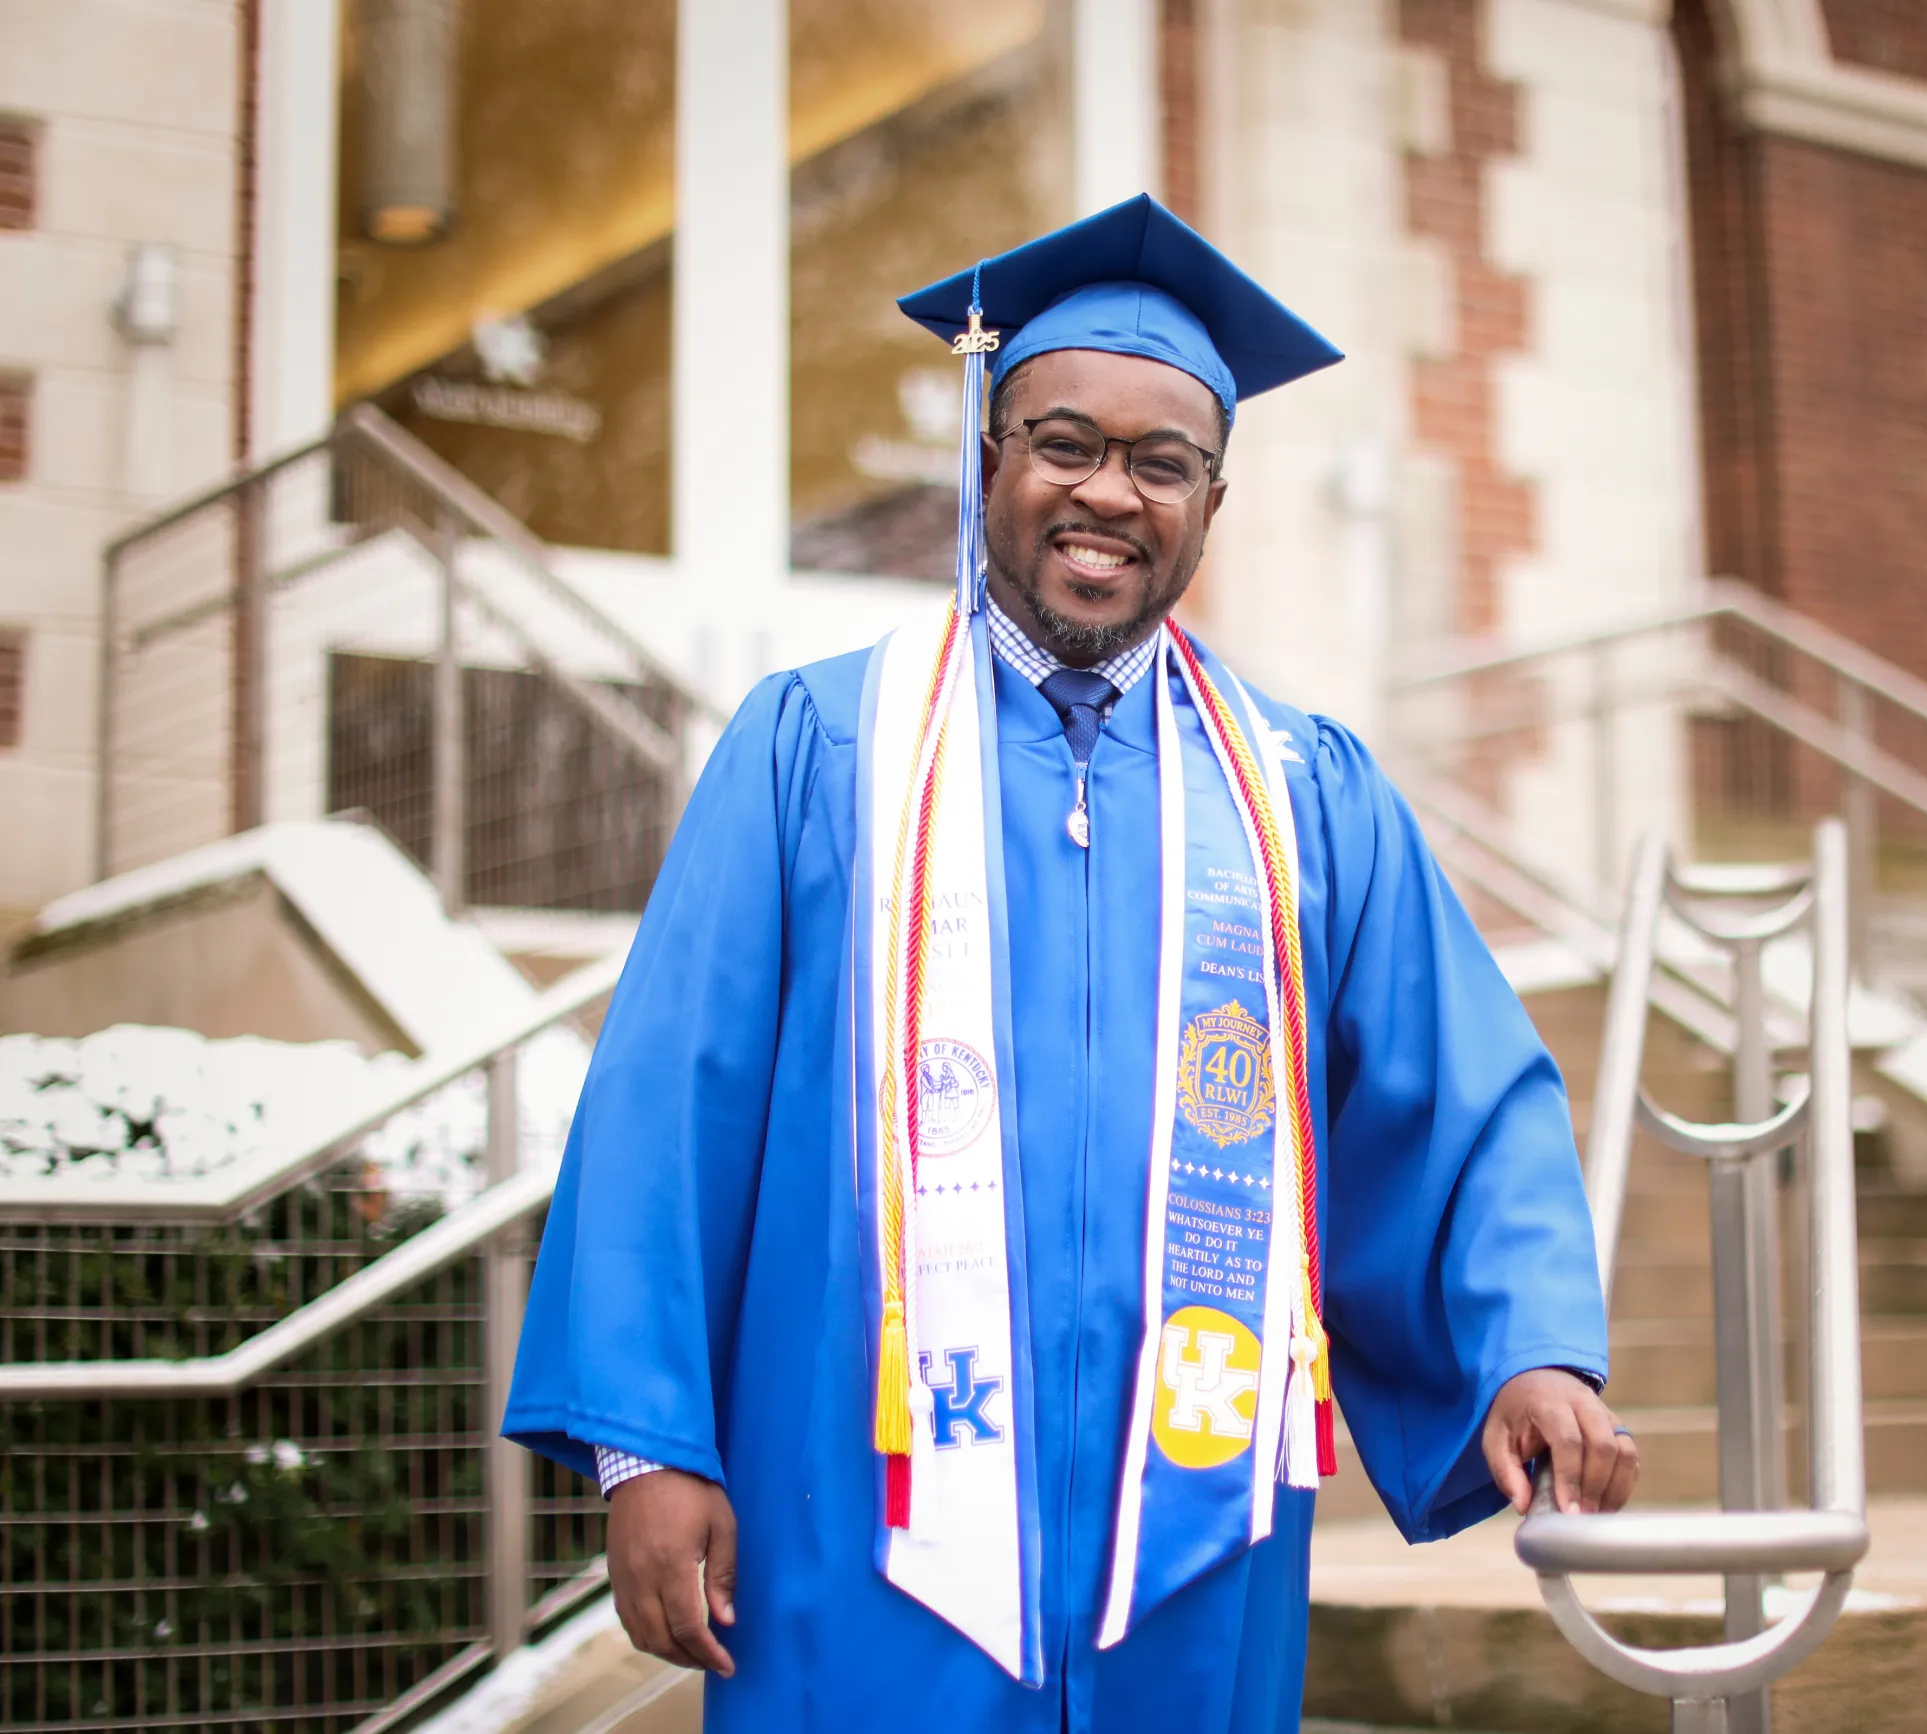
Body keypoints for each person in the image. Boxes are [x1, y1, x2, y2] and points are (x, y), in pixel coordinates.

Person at [503, 195, 1633, 1734]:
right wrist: (651, 1449)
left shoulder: (1301, 791)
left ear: (1212, 503)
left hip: (1190, 1531)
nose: (1108, 491)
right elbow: (661, 1109)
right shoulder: (820, 749)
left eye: (1161, 462)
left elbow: (1456, 1096)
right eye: (1064, 441)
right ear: (989, 461)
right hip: (858, 1514)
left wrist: (1527, 1347)